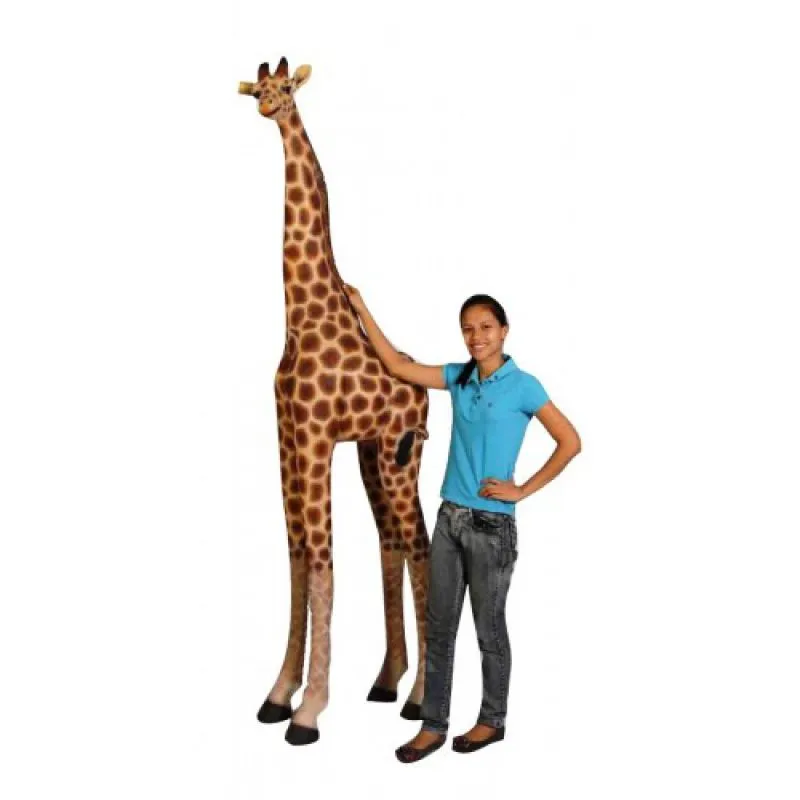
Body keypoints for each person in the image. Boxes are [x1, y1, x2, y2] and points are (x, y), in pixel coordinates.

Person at [342, 284, 581, 763]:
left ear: (505, 330)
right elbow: (397, 366)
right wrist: (362, 307)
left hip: (493, 526)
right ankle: (433, 726)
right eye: (468, 329)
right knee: (439, 628)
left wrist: (520, 490)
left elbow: (570, 442)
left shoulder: (524, 386)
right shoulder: (459, 377)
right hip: (449, 520)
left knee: (488, 630)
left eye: (486, 327)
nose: (477, 337)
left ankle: (492, 720)